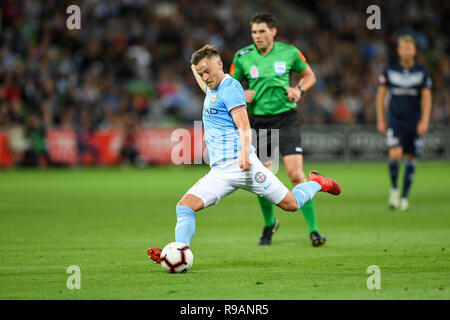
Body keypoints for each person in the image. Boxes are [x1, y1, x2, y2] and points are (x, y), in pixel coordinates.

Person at [147, 45, 341, 263]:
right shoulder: (211, 87)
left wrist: (245, 155)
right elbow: (199, 71)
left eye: (208, 71)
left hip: (243, 167)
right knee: (184, 207)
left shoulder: (230, 88)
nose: (205, 76)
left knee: (292, 204)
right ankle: (177, 253)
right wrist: (197, 64)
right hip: (220, 172)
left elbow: (244, 125)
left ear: (220, 65)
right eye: (201, 73)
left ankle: (317, 182)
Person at [229, 13, 324, 246]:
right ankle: (270, 223)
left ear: (273, 31)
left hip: (286, 118)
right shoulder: (242, 57)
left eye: (262, 31)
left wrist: (299, 90)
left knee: (295, 174)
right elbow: (228, 86)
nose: (257, 36)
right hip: (259, 121)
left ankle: (313, 230)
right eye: (254, 32)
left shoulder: (290, 52)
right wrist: (241, 93)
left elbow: (309, 76)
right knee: (263, 177)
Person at [376, 35, 432, 211]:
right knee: (394, 154)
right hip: (395, 120)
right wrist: (380, 118)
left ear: (415, 50)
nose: (407, 50)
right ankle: (394, 190)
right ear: (398, 50)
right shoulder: (390, 70)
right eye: (403, 47)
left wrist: (424, 119)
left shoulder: (422, 72)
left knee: (409, 157)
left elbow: (427, 97)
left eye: (410, 47)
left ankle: (405, 198)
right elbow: (381, 95)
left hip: (414, 121)